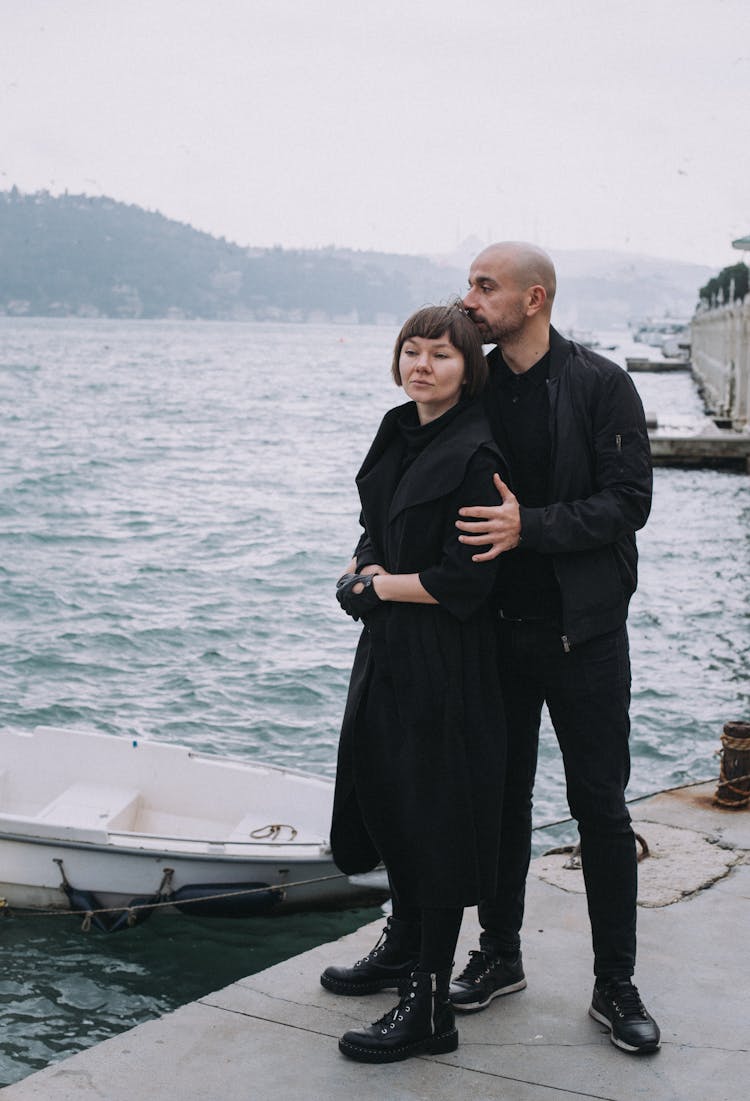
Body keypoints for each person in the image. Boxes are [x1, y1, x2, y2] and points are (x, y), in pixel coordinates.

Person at [448, 241, 660, 1054]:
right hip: (495, 633)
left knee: (600, 809)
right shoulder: (476, 383)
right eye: (470, 283)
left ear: (533, 298)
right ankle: (500, 954)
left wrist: (527, 527)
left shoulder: (602, 383)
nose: (471, 299)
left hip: (586, 634)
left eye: (485, 286)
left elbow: (627, 502)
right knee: (499, 802)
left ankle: (616, 981)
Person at [323, 304, 509, 1064]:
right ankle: (401, 950)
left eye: (441, 354)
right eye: (412, 350)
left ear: (468, 370)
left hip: (446, 660)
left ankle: (430, 1007)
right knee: (390, 798)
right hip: (390, 649)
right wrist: (358, 566)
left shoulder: (475, 452)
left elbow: (469, 582)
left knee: (435, 821)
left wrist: (381, 587)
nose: (421, 364)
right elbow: (378, 521)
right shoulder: (400, 428)